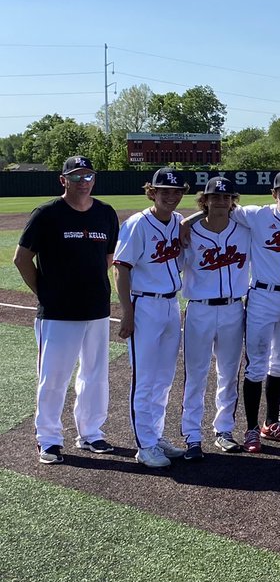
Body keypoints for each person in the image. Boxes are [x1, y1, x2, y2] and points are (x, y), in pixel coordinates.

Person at [15, 155, 119, 465]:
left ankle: (90, 433)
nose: (83, 182)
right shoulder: (47, 214)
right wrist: (45, 292)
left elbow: (109, 257)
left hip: (97, 310)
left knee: (95, 375)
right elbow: (21, 259)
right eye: (76, 177)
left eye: (88, 176)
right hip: (58, 313)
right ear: (63, 180)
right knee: (53, 378)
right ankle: (47, 439)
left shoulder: (105, 213)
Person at [218, 170, 280, 450]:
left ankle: (272, 423)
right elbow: (220, 207)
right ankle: (251, 429)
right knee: (256, 365)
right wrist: (187, 224)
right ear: (274, 194)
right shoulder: (257, 215)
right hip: (261, 296)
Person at [112, 167, 188, 467]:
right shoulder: (137, 224)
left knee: (164, 379)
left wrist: (187, 223)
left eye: (176, 191)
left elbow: (187, 224)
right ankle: (144, 445)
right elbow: (120, 268)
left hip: (171, 306)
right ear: (151, 192)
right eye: (164, 191)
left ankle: (155, 436)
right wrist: (127, 314)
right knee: (144, 380)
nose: (170, 196)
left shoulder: (178, 220)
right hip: (144, 306)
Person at [179, 177, 252, 458]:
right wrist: (188, 221)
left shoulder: (244, 229)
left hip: (234, 308)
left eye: (226, 197)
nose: (221, 201)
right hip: (199, 308)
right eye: (215, 197)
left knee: (229, 373)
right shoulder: (190, 233)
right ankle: (192, 435)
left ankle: (223, 430)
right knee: (195, 375)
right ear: (205, 200)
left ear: (232, 201)